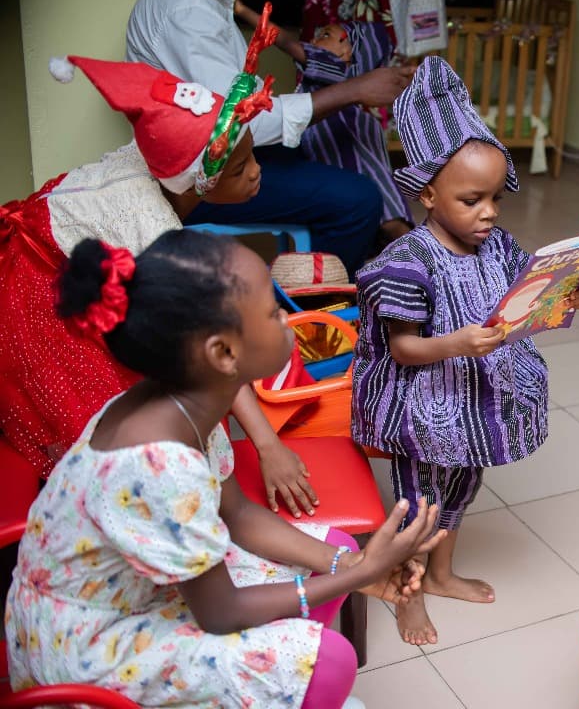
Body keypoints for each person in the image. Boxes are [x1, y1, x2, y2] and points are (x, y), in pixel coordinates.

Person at [4, 228, 446, 707]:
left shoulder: (187, 400)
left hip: (140, 589)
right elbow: (220, 612)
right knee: (329, 659)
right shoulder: (157, 463)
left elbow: (236, 514)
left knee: (335, 548)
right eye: (272, 312)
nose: (284, 318)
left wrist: (353, 563)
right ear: (223, 353)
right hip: (90, 643)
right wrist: (361, 574)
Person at [0, 41, 319, 515]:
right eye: (240, 169)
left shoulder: (165, 159)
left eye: (252, 158)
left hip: (65, 252)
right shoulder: (154, 226)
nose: (257, 174)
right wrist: (268, 447)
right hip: (38, 284)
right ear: (199, 181)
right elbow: (213, 348)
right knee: (109, 409)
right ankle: (125, 511)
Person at [352, 57, 579, 645]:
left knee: (461, 488)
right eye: (470, 199)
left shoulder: (496, 244)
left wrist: (573, 292)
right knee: (419, 504)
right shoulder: (407, 264)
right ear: (429, 196)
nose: (488, 211)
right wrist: (458, 342)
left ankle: (439, 574)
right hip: (422, 406)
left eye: (495, 197)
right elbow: (404, 350)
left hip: (477, 401)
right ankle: (407, 593)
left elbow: (529, 295)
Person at [126, 0, 415, 276]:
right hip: (197, 180)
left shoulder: (205, 1)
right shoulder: (186, 9)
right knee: (359, 200)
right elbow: (240, 122)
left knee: (336, 152)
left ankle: (386, 235)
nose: (317, 40)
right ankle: (307, 305)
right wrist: (355, 90)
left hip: (225, 152)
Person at [234, 0, 413, 243]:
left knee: (383, 200)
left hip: (343, 131)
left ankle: (417, 254)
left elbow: (285, 41)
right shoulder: (328, 71)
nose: (314, 41)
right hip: (335, 135)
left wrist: (242, 10)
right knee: (358, 191)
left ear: (346, 52)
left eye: (326, 35)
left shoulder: (336, 66)